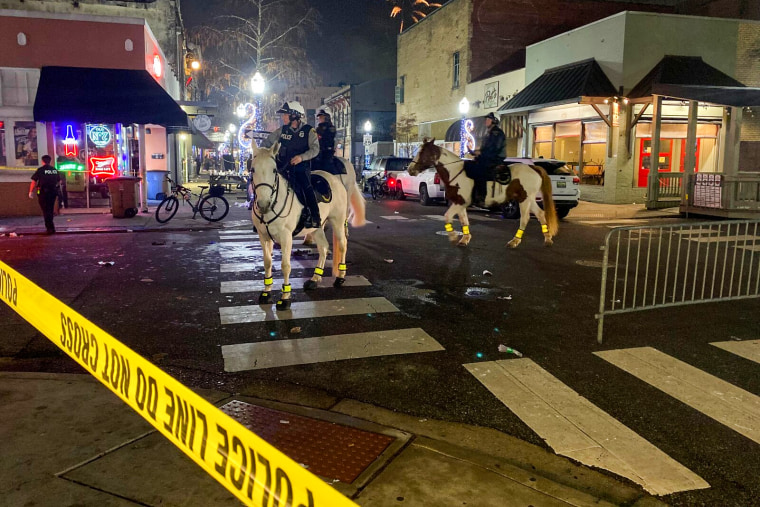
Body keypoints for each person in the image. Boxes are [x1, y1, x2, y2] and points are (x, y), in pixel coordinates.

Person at [262, 101, 322, 228]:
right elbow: (267, 143)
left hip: (300, 168)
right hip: (282, 168)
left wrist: (301, 157)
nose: (283, 117)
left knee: (306, 188)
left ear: (294, 116)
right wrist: (260, 151)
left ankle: (315, 216)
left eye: (285, 115)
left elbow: (315, 149)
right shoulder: (281, 131)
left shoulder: (309, 131)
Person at [467, 112, 506, 204]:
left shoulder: (497, 133)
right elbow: (486, 148)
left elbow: (494, 148)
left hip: (495, 159)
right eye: (486, 119)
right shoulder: (489, 133)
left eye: (488, 119)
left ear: (494, 121)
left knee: (480, 171)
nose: (486, 121)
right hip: (487, 157)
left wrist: (480, 153)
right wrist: (476, 153)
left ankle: (481, 196)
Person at [28, 155, 62, 234]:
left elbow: (34, 181)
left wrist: (30, 191)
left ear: (42, 161)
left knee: (46, 210)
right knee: (50, 209)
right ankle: (51, 227)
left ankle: (49, 228)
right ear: (50, 161)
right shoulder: (54, 170)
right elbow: (59, 181)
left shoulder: (40, 170)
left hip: (43, 193)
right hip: (53, 192)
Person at [314, 109, 339, 173]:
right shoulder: (318, 128)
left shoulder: (330, 128)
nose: (319, 119)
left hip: (327, 150)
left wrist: (320, 136)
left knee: (326, 164)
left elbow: (328, 137)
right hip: (318, 149)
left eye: (321, 117)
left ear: (326, 118)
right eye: (319, 118)